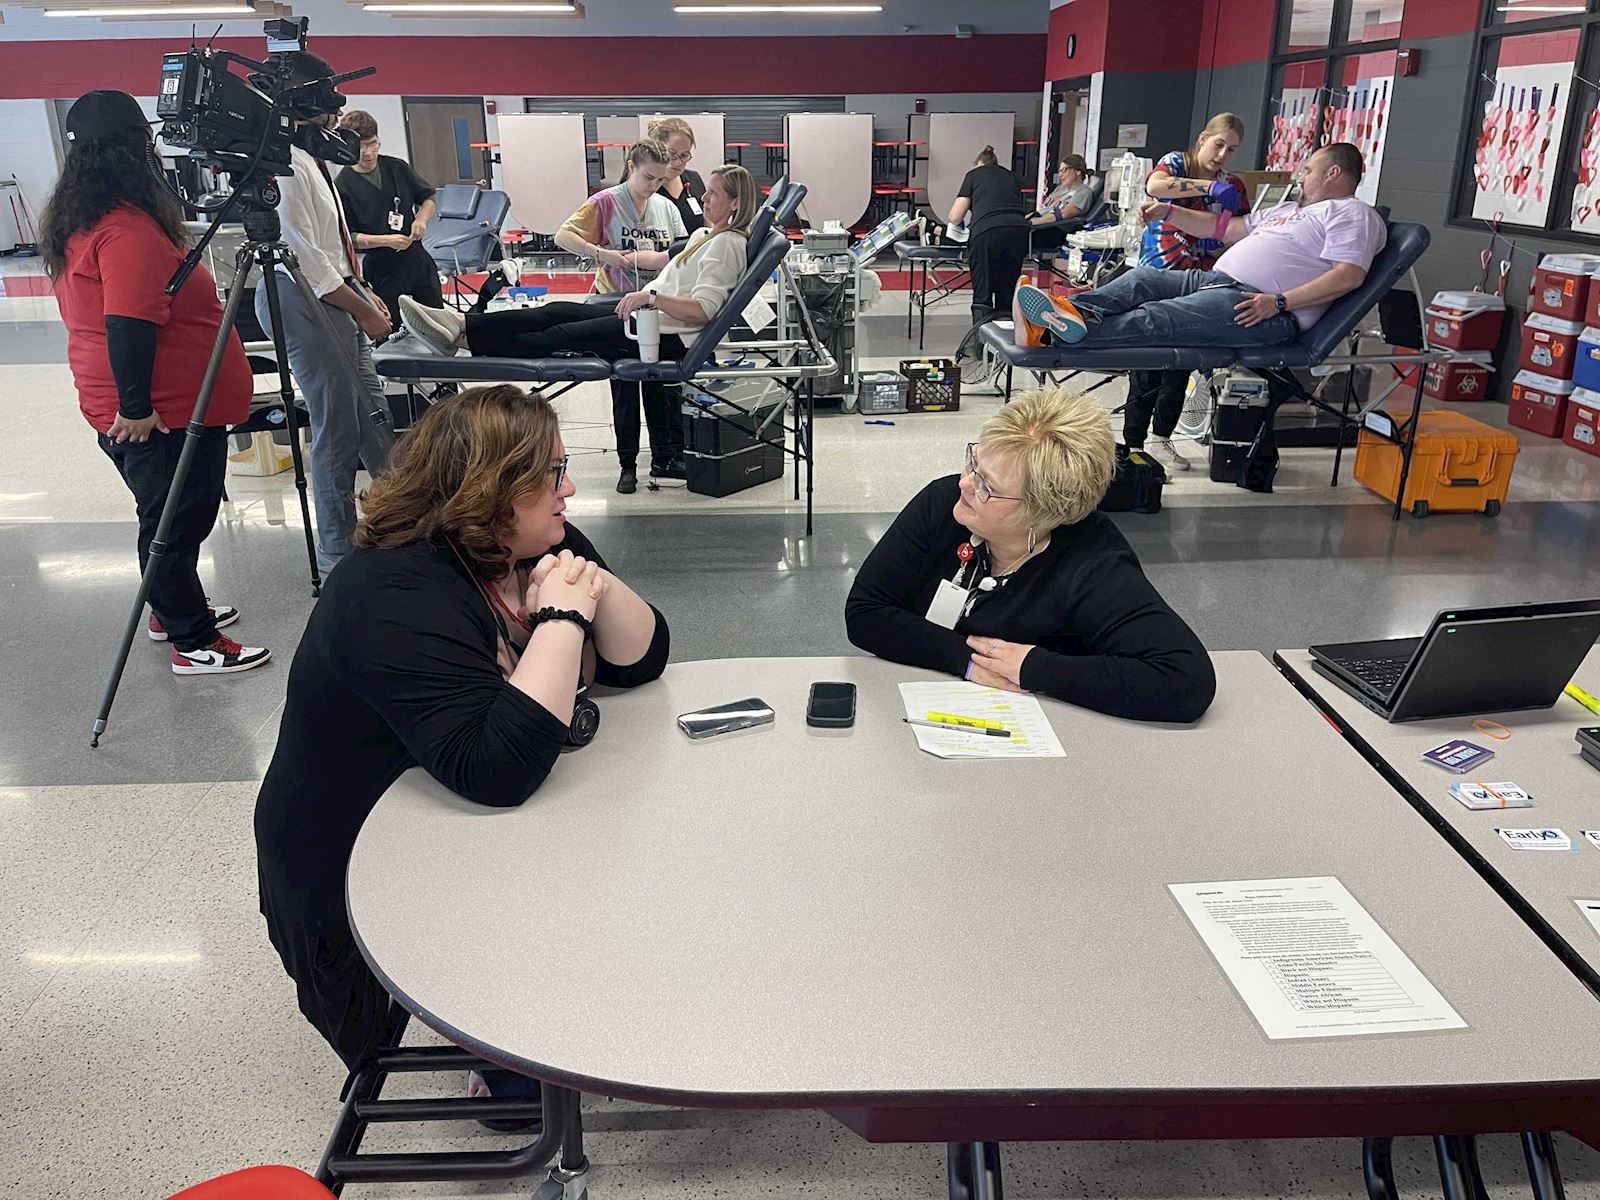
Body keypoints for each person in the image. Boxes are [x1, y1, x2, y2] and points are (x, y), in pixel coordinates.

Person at [255, 383, 671, 1081]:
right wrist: (564, 619)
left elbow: (642, 660)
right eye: (552, 475)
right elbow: (498, 771)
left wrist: (586, 583)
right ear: (492, 489)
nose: (569, 491)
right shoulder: (392, 591)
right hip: (353, 875)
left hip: (458, 833)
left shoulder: (530, 543)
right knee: (511, 1095)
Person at [37, 89, 270, 675]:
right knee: (173, 521)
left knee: (169, 513)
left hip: (144, 403)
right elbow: (127, 323)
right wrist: (137, 407)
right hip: (158, 413)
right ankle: (194, 641)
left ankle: (171, 609)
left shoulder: (86, 220)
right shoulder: (126, 230)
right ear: (132, 152)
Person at [844, 387, 1214, 724]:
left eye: (987, 485)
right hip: (916, 708)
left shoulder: (1093, 564)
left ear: (1042, 512)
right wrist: (965, 661)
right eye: (973, 462)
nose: (965, 483)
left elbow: (1186, 681)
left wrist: (1033, 668)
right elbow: (865, 612)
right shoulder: (944, 505)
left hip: (1044, 734)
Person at [401, 163, 758, 476]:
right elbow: (664, 263)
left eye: (714, 193)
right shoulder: (704, 235)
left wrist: (650, 297)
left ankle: (465, 341)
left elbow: (704, 310)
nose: (704, 197)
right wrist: (618, 259)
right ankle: (461, 323)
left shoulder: (727, 245)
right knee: (558, 309)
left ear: (736, 203)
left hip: (664, 333)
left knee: (560, 334)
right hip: (648, 318)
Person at [1014, 143, 1384, 352]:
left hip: (1261, 309)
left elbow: (1348, 276)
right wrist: (1168, 211)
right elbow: (1227, 229)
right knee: (1142, 279)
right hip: (1218, 282)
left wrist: (1279, 302)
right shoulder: (1290, 210)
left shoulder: (1352, 214)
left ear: (1333, 173)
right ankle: (1062, 313)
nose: (1300, 177)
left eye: (1308, 170)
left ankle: (1048, 335)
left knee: (1155, 316)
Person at [257, 51, 395, 576]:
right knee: (336, 426)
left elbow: (331, 248)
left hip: (336, 293)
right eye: (328, 107)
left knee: (374, 417)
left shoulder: (313, 160)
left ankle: (401, 520)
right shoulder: (286, 165)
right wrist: (361, 309)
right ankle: (338, 550)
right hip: (305, 299)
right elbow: (305, 258)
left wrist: (362, 290)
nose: (336, 117)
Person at [554, 139, 689, 493]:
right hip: (615, 304)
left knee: (659, 386)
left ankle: (665, 457)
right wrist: (603, 254)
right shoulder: (605, 203)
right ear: (631, 166)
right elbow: (563, 236)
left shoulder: (666, 208)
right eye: (647, 177)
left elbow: (681, 255)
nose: (653, 185)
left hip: (655, 307)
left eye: (660, 179)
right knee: (625, 388)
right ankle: (627, 464)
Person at [1125, 113, 1251, 472]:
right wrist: (1208, 188)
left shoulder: (1233, 186)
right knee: (1146, 365)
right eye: (1219, 144)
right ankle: (1133, 445)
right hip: (1157, 276)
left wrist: (1217, 245)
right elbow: (1156, 187)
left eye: (1231, 149)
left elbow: (1241, 234)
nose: (1222, 155)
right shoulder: (1178, 164)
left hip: (1198, 284)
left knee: (1180, 366)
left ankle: (1161, 439)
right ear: (1203, 139)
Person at [334, 110, 441, 330]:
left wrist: (420, 220)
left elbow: (428, 197)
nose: (368, 153)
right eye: (361, 147)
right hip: (382, 268)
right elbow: (348, 237)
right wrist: (385, 240)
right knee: (393, 329)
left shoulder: (396, 167)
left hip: (416, 259)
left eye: (373, 144)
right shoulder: (343, 184)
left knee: (437, 323)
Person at [947, 145, 1030, 332]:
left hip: (986, 233)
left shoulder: (973, 175)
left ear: (979, 163)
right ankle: (1004, 339)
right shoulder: (1011, 176)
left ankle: (980, 340)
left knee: (983, 292)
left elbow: (955, 216)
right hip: (1018, 231)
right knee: (1007, 290)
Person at [625, 116, 707, 236]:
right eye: (672, 154)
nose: (678, 162)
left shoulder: (693, 179)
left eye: (684, 155)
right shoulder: (641, 187)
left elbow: (708, 225)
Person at [1033, 153, 1095, 226]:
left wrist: (1032, 223)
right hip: (1038, 221)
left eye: (1064, 170)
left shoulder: (1083, 192)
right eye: (1060, 171)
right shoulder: (1060, 188)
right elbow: (1044, 209)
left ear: (1078, 171)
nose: (1060, 175)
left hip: (1050, 227)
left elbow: (1063, 214)